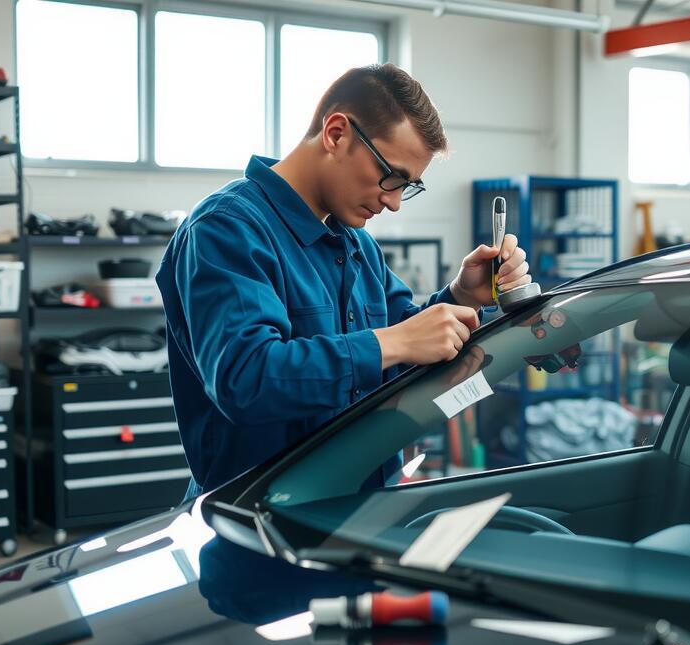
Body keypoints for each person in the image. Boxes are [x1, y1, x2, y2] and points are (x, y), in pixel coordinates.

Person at [157, 64, 531, 500]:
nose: (393, 203)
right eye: (391, 178)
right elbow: (245, 377)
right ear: (336, 133)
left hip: (362, 505)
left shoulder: (356, 244)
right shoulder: (226, 229)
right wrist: (392, 342)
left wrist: (461, 295)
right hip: (259, 518)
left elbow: (406, 345)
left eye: (408, 187)